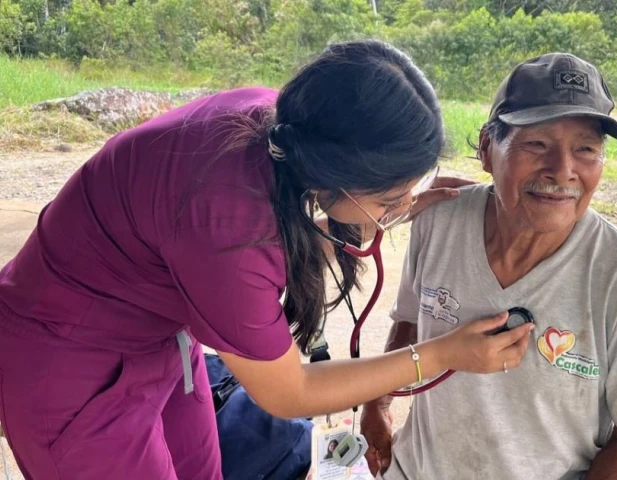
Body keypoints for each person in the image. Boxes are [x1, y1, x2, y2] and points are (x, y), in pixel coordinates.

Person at [0, 40, 534, 480]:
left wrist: (390, 208)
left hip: (155, 335)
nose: (395, 209)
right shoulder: (225, 223)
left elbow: (269, 242)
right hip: (66, 352)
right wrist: (440, 355)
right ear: (335, 172)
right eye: (386, 198)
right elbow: (288, 391)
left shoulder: (280, 125)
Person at [360, 53, 617, 480]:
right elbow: (411, 321)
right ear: (487, 148)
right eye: (537, 144)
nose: (562, 170)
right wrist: (377, 403)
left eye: (586, 149)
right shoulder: (438, 221)